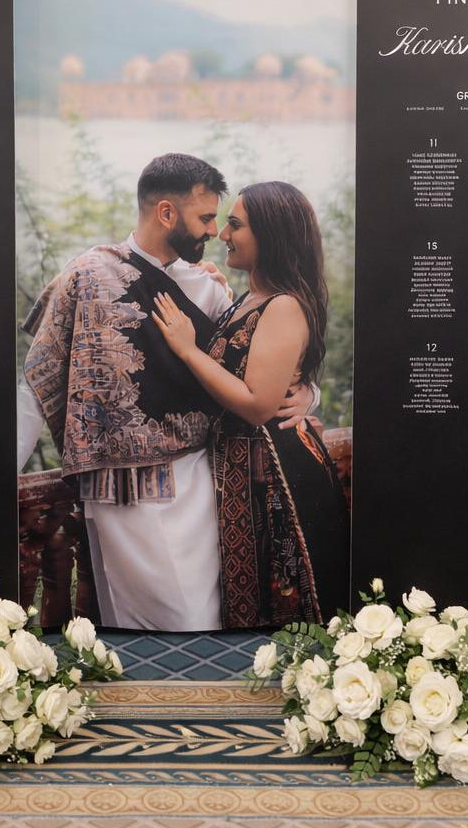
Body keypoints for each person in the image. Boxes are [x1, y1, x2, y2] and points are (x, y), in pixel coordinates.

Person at [18, 155, 314, 631]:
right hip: (118, 492)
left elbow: (252, 364)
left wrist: (308, 392)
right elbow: (39, 380)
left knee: (200, 620)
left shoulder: (208, 289)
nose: (214, 232)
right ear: (166, 214)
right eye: (205, 218)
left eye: (222, 220)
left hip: (202, 484)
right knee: (131, 625)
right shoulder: (88, 276)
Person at [153, 181, 349, 628]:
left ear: (271, 236)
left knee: (287, 606)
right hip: (244, 469)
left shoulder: (283, 307)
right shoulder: (248, 299)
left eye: (235, 225)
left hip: (278, 476)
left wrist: (188, 349)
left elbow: (259, 405)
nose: (222, 234)